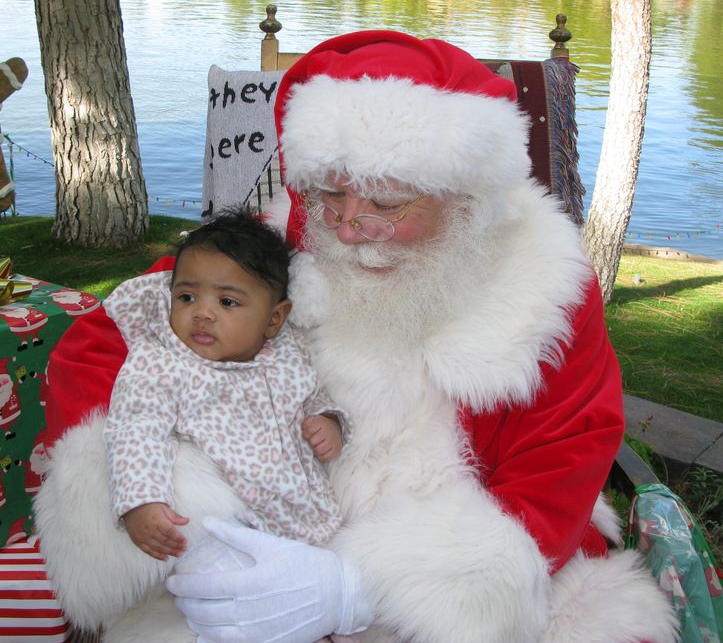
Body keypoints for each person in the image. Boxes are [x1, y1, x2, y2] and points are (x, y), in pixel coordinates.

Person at [35, 31, 677, 643]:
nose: (347, 229)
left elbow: (562, 453)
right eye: (330, 196)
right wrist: (197, 526)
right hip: (271, 528)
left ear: (464, 199)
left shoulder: (546, 283)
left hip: (455, 541)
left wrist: (360, 587)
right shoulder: (275, 246)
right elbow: (97, 347)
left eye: (388, 205)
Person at [103, 211, 345, 570]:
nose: (202, 313)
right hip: (233, 528)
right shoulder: (161, 362)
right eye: (186, 297)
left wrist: (328, 421)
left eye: (227, 302)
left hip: (308, 516)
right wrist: (142, 501)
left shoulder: (287, 351)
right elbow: (136, 428)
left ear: (274, 319)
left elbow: (315, 391)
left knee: (335, 576)